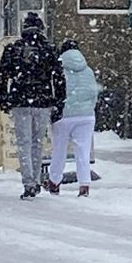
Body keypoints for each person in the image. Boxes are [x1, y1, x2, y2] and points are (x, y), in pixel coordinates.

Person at [0, 11, 65, 200]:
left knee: (24, 143)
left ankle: (29, 182)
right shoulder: (49, 49)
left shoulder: (13, 49)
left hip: (20, 101)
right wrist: (58, 102)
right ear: (41, 29)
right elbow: (58, 78)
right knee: (37, 143)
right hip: (42, 102)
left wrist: (4, 99)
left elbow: (2, 76)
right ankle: (35, 178)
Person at [46, 39, 99, 198]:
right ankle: (84, 186)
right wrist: (89, 107)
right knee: (82, 151)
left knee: (59, 151)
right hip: (86, 116)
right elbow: (93, 93)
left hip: (64, 115)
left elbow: (54, 91)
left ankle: (54, 182)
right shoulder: (88, 70)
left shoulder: (58, 69)